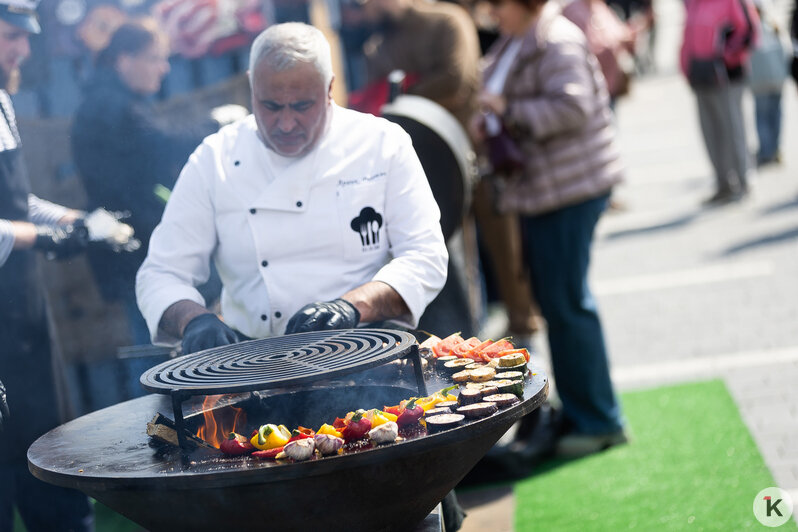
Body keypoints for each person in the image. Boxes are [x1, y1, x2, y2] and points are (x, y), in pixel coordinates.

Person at [136, 21, 447, 355]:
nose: (285, 123)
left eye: (301, 106)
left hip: (367, 349)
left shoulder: (382, 144)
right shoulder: (215, 159)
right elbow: (161, 274)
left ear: (329, 89)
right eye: (270, 106)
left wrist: (351, 307)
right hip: (257, 362)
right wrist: (193, 320)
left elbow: (424, 256)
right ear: (251, 88)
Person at [469, 0, 627, 457]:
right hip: (548, 190)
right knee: (562, 304)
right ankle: (584, 413)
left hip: (569, 190)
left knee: (567, 304)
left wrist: (509, 109)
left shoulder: (555, 39)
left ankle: (598, 419)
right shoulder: (523, 40)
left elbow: (573, 108)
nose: (490, 13)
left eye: (497, 4)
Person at [72, 18, 229, 348]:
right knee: (153, 340)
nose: (164, 68)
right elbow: (160, 142)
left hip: (133, 238)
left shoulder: (113, 101)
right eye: (155, 58)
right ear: (125, 59)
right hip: (132, 242)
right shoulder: (109, 105)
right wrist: (216, 124)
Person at [0, 1, 94, 529]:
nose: (23, 49)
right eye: (10, 36)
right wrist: (46, 236)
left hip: (26, 318)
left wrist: (83, 222)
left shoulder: (2, 101)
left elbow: (14, 202)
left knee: (48, 463)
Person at [680, 0, 759, 205]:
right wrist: (685, 64)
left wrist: (726, 56)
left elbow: (748, 31)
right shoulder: (692, 3)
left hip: (727, 75)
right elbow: (688, 35)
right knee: (711, 131)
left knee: (732, 129)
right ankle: (723, 183)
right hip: (700, 73)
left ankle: (742, 180)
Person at [748, 0, 789, 166]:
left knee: (763, 117)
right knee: (775, 115)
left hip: (760, 81)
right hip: (777, 77)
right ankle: (774, 149)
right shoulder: (774, 25)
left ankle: (767, 152)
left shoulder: (751, 28)